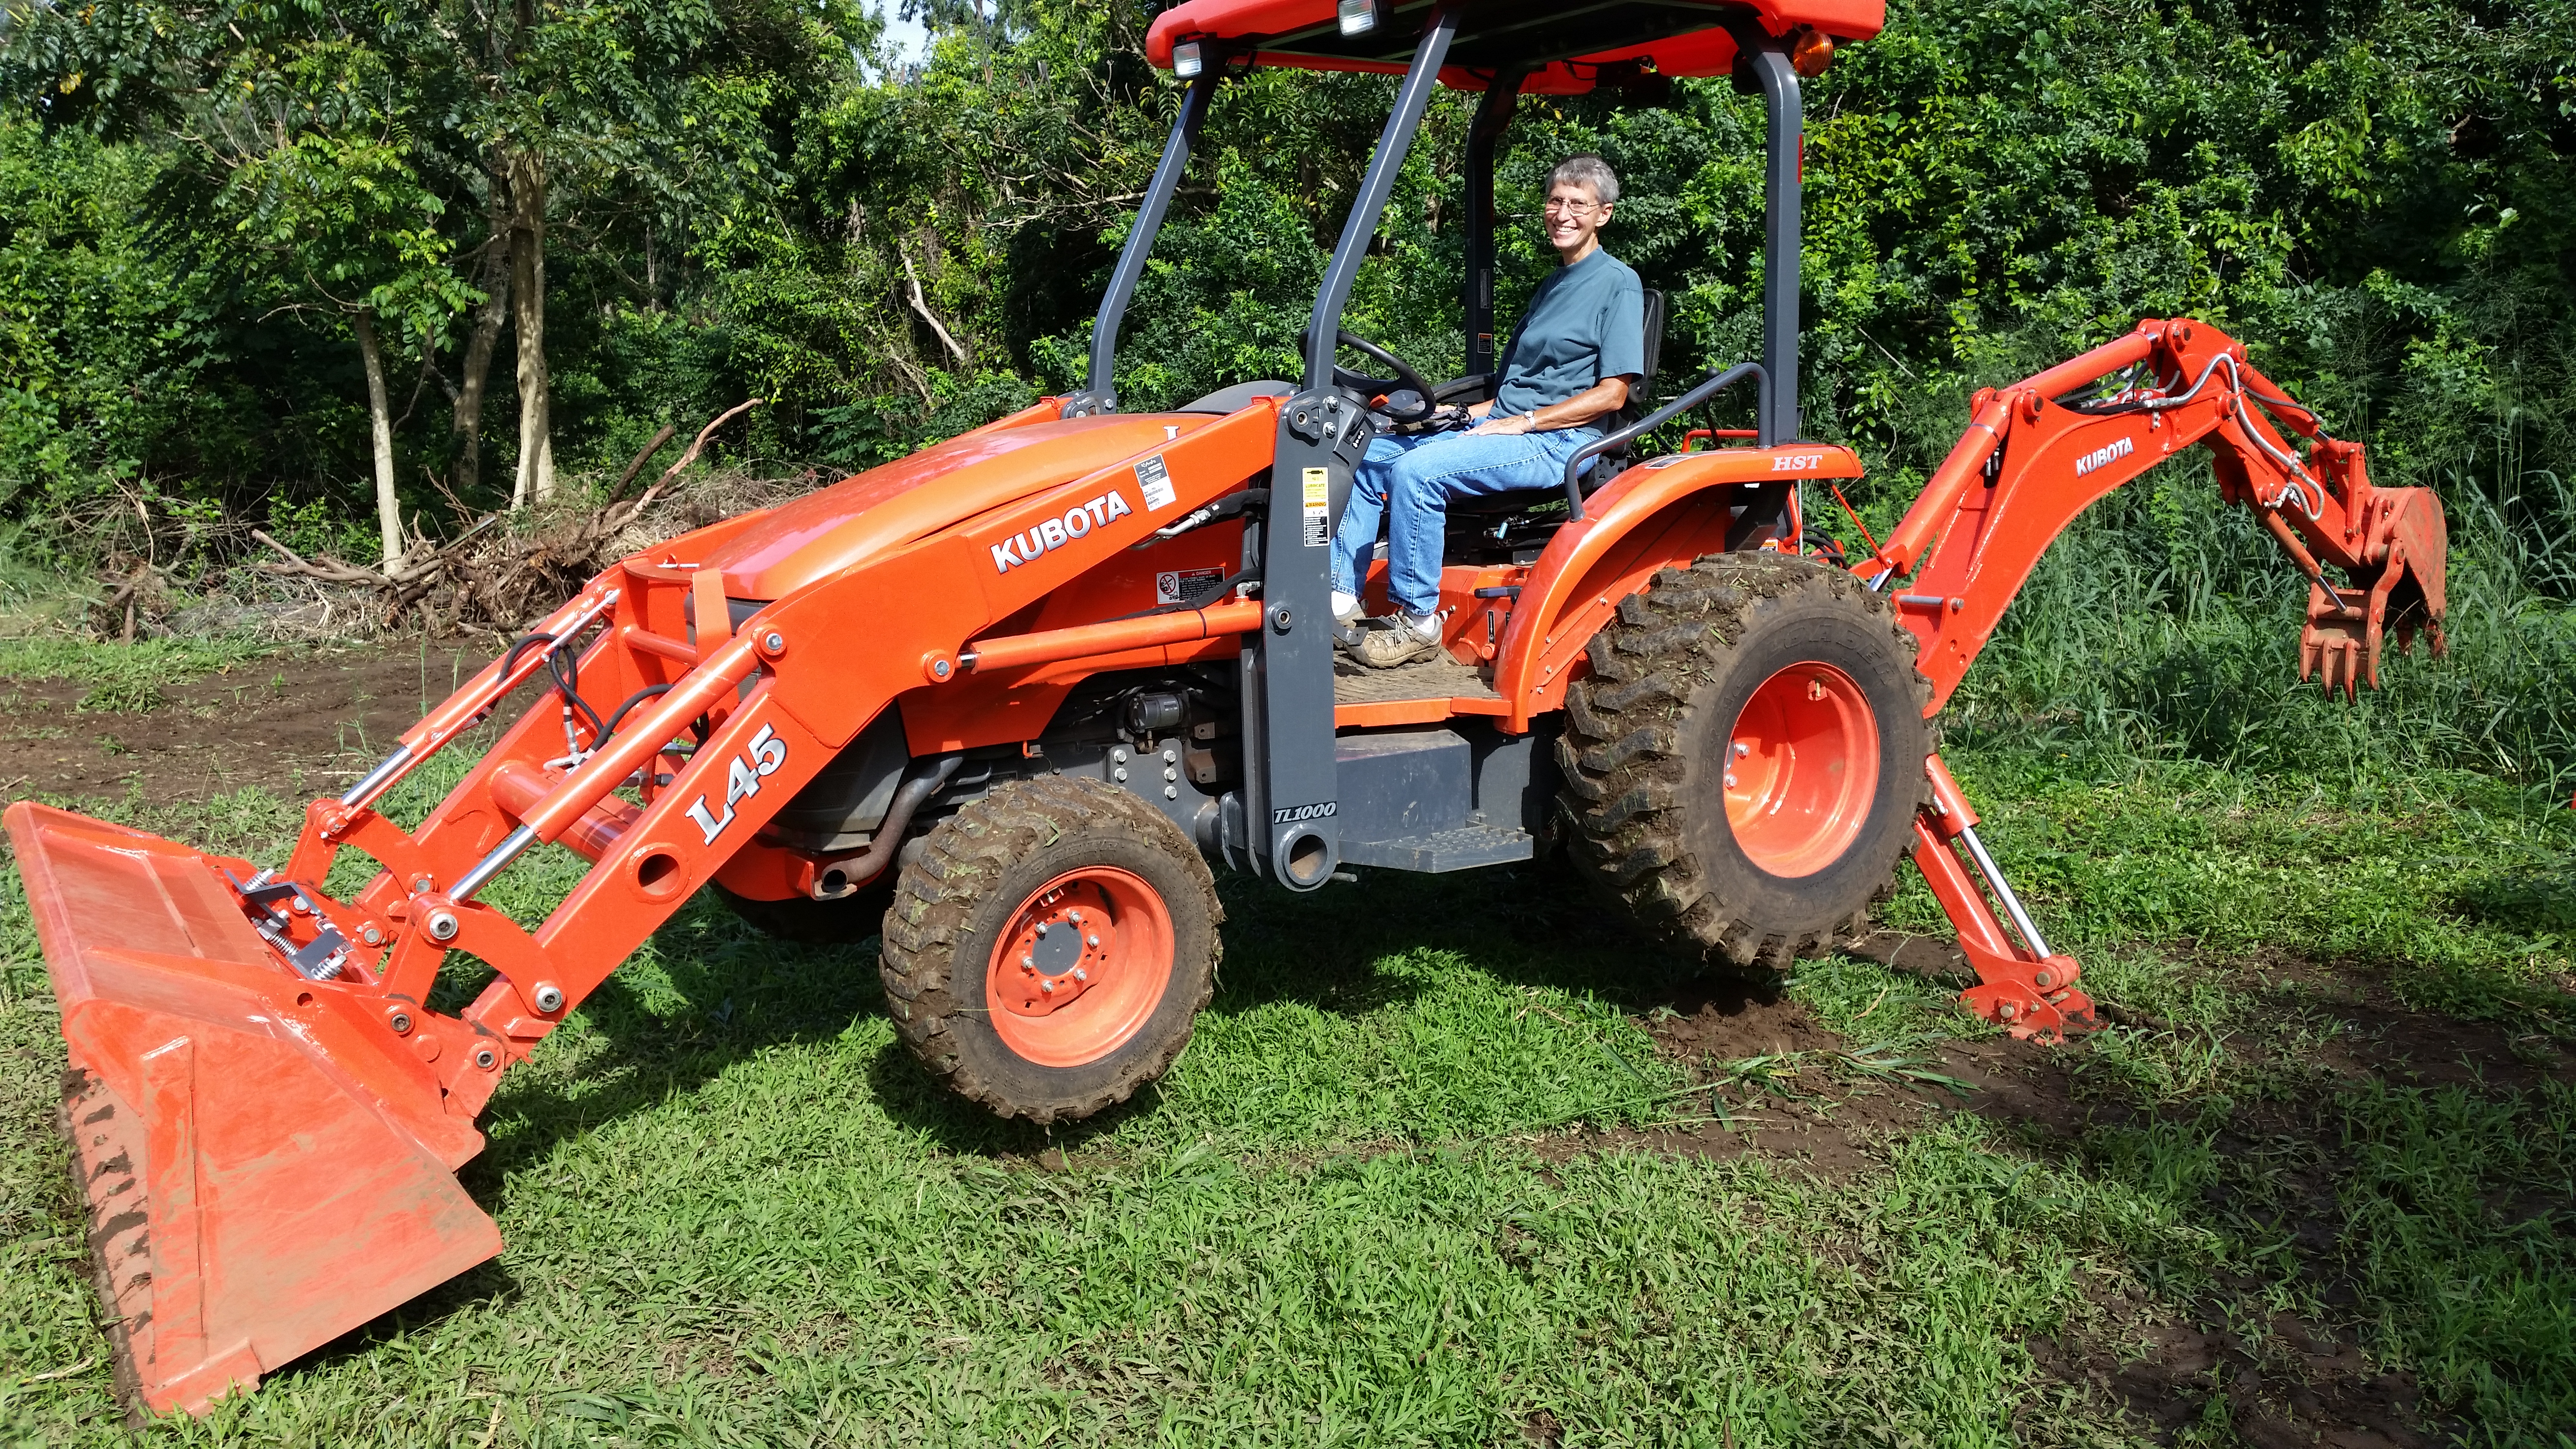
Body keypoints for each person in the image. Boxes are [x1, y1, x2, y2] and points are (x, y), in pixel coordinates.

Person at [1332, 153, 1646, 668]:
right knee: (1371, 454)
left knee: (1417, 472)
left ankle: (1417, 622)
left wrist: (1520, 422)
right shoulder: (1553, 284)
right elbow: (1512, 393)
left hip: (1558, 443)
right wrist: (1460, 415)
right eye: (1554, 201)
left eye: (1577, 205)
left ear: (1603, 214)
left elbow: (1612, 395)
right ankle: (1339, 599)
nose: (1562, 213)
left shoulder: (1617, 284)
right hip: (1509, 428)